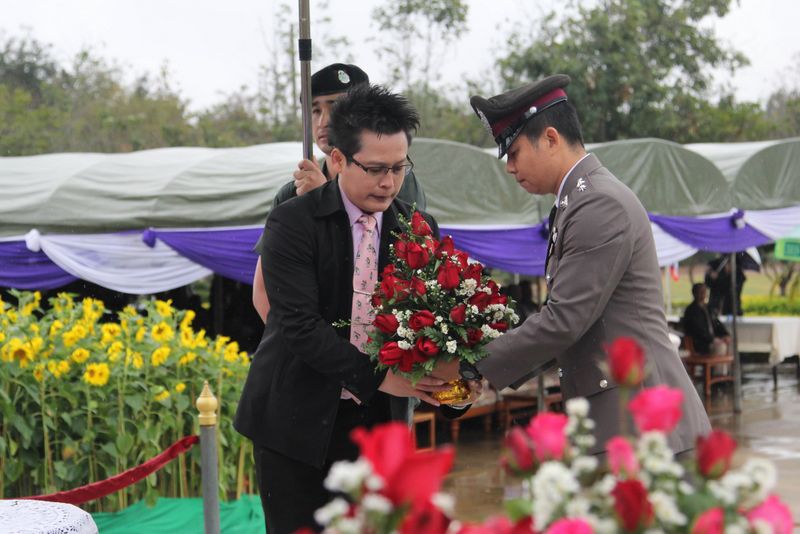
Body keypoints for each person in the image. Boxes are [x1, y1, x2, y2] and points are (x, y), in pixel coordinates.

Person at [433, 74, 710, 456]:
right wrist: (484, 367)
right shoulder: (578, 201)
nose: (510, 168)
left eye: (514, 153)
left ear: (550, 139)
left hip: (644, 423)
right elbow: (573, 326)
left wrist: (473, 363)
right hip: (624, 418)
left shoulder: (597, 204)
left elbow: (565, 320)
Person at [234, 84, 464, 534]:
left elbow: (435, 318)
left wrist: (455, 381)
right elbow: (299, 326)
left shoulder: (416, 227)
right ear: (338, 159)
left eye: (399, 168)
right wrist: (380, 377)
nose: (389, 183)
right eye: (375, 169)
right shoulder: (293, 221)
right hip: (295, 423)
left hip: (378, 425)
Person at [252, 63, 427, 322]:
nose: (324, 122)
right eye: (315, 110)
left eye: (335, 108)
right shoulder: (292, 194)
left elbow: (405, 275)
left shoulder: (399, 183)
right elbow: (264, 292)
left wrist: (327, 199)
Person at [682, 283, 731, 356]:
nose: (703, 294)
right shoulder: (691, 310)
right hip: (700, 344)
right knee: (721, 347)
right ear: (695, 293)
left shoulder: (708, 308)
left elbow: (716, 323)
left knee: (728, 343)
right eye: (701, 292)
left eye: (704, 292)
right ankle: (716, 364)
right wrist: (713, 339)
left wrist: (725, 334)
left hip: (711, 340)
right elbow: (698, 330)